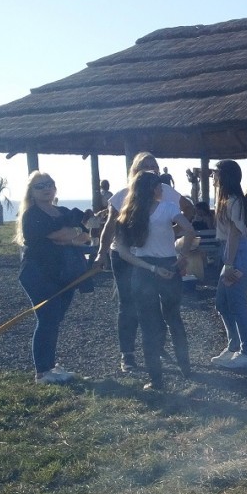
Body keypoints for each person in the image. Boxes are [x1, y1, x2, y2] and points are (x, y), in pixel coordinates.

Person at [94, 152, 194, 373]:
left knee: (161, 308)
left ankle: (156, 349)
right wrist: (101, 253)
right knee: (128, 305)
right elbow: (111, 226)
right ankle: (128, 355)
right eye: (145, 166)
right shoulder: (122, 195)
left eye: (154, 165)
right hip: (125, 255)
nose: (150, 169)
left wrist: (171, 233)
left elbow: (188, 211)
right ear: (135, 170)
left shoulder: (165, 192)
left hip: (156, 256)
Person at [114, 171, 191, 390]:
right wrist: (183, 255)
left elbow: (123, 252)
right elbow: (189, 229)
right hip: (169, 265)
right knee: (174, 318)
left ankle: (156, 379)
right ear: (152, 189)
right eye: (159, 186)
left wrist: (151, 268)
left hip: (143, 270)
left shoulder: (127, 215)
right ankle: (186, 368)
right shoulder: (167, 209)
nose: (161, 190)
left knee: (149, 326)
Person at [16, 171, 90, 383]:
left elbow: (85, 235)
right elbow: (63, 234)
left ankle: (49, 365)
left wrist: (69, 238)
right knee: (47, 318)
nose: (46, 188)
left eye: (49, 184)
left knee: (55, 319)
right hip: (37, 273)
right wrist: (69, 237)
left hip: (64, 273)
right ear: (31, 191)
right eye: (40, 186)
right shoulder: (31, 215)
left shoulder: (64, 211)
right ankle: (42, 372)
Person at [211, 159, 247, 369]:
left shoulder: (234, 201)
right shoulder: (225, 200)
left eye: (215, 173)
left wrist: (229, 265)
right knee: (222, 303)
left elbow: (234, 235)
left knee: (237, 305)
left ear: (224, 176)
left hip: (238, 255)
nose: (213, 177)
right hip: (231, 254)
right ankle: (234, 347)